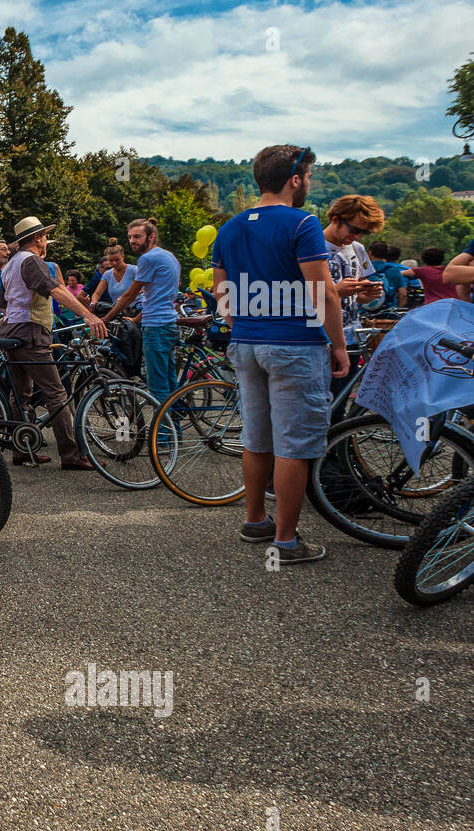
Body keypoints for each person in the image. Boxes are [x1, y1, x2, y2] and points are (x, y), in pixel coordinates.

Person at [210, 144, 347, 565]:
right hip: (295, 344)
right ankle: (286, 542)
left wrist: (242, 329)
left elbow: (222, 295)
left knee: (257, 437)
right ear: (295, 178)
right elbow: (322, 293)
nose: (309, 182)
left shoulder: (228, 229)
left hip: (247, 343)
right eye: (308, 176)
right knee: (294, 443)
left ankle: (256, 521)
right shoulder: (302, 223)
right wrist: (339, 346)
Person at [0, 216, 107, 469]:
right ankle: (71, 455)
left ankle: (21, 449)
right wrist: (87, 315)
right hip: (31, 332)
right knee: (56, 393)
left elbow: (3, 304)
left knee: (21, 393)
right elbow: (55, 289)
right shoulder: (32, 261)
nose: (47, 242)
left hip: (11, 331)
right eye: (45, 237)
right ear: (37, 238)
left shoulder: (10, 264)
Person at [104, 218, 182, 405]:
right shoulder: (169, 256)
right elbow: (155, 296)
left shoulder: (148, 258)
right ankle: (173, 431)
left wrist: (106, 319)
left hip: (156, 327)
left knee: (158, 388)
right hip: (169, 324)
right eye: (130, 237)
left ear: (152, 236)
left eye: (137, 236)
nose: (132, 241)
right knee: (171, 385)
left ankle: (161, 435)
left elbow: (130, 295)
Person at [322, 194, 384, 343]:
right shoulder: (310, 247)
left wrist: (368, 294)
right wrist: (336, 291)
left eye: (365, 232)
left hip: (351, 335)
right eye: (354, 230)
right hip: (320, 335)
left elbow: (357, 297)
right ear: (336, 220)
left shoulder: (357, 249)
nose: (358, 236)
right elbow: (294, 295)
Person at [90, 240, 137, 314]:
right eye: (111, 260)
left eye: (117, 260)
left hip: (137, 309)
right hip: (118, 311)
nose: (114, 263)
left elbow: (143, 289)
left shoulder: (134, 270)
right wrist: (94, 302)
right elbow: (97, 294)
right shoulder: (107, 274)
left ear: (123, 257)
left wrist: (125, 297)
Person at [367, 242, 406, 309]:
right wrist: (399, 309)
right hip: (388, 311)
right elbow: (403, 294)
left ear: (370, 253)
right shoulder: (394, 270)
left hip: (365, 312)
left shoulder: (364, 269)